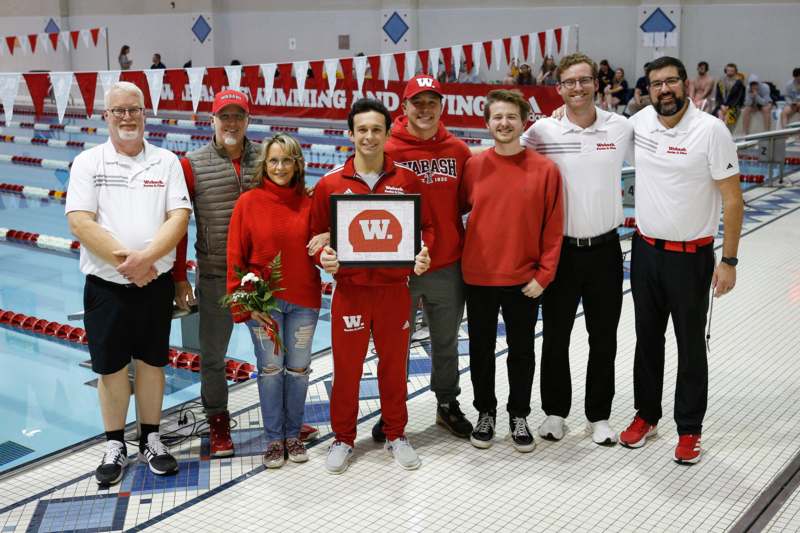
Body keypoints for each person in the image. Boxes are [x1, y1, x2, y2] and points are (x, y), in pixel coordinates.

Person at [619, 56, 744, 465]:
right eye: (656, 84)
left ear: (686, 84)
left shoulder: (711, 131)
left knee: (691, 346)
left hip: (692, 258)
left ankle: (689, 428)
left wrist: (729, 260)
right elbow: (595, 134)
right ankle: (646, 416)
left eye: (671, 81)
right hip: (645, 252)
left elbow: (732, 199)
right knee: (646, 340)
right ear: (648, 89)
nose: (664, 90)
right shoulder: (638, 124)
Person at [65, 81, 191, 485]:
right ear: (107, 116)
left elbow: (179, 217)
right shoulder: (89, 162)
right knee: (111, 368)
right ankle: (115, 442)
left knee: (153, 363)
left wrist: (148, 261)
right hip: (106, 286)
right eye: (118, 110)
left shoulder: (166, 161)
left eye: (133, 109)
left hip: (154, 283)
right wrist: (131, 262)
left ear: (144, 112)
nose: (126, 117)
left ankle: (151, 439)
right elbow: (80, 221)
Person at [310, 98, 434, 474]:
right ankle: (344, 438)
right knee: (346, 369)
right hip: (350, 292)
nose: (368, 136)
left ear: (387, 133)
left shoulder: (406, 181)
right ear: (350, 134)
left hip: (394, 291)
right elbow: (315, 237)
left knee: (395, 367)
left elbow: (425, 229)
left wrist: (424, 253)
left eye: (376, 129)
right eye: (361, 129)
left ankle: (396, 434)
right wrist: (324, 258)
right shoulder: (330, 183)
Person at [522, 53, 632, 446]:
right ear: (559, 89)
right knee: (555, 336)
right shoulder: (542, 133)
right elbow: (504, 153)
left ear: (596, 84)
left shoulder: (620, 128)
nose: (578, 88)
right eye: (570, 82)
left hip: (605, 250)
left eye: (584, 80)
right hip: (560, 253)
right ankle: (554, 413)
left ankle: (598, 416)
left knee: (603, 337)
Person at [370, 75, 473, 443]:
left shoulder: (459, 150)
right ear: (404, 106)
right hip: (400, 271)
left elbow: (465, 204)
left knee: (447, 343)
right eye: (418, 102)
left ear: (441, 106)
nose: (425, 109)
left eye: (432, 102)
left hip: (446, 264)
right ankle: (391, 412)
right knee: (394, 345)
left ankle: (447, 404)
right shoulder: (388, 149)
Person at [460, 89, 564, 453]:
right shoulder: (472, 167)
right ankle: (485, 412)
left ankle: (518, 414)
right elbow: (452, 214)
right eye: (497, 117)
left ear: (524, 122)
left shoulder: (545, 170)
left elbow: (554, 227)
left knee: (522, 351)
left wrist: (544, 274)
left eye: (511, 117)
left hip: (524, 280)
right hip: (479, 277)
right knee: (481, 351)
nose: (504, 124)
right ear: (487, 123)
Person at [172, 90, 265, 458]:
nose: (231, 123)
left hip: (262, 277)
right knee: (212, 356)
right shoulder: (192, 164)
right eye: (224, 116)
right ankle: (218, 421)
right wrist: (180, 277)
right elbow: (178, 225)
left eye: (238, 116)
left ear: (248, 119)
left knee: (273, 353)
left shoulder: (268, 157)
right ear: (212, 120)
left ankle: (282, 416)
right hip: (214, 275)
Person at [226, 134, 321, 469]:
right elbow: (235, 257)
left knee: (297, 371)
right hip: (263, 305)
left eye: (287, 160)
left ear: (298, 164)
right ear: (264, 164)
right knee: (269, 371)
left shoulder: (311, 203)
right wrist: (243, 304)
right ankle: (273, 439)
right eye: (274, 160)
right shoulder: (249, 202)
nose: (280, 167)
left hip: (305, 301)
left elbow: (322, 248)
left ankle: (293, 435)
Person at [715, 63, 745, 131]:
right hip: (722, 106)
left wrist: (729, 106)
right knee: (718, 115)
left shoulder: (739, 83)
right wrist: (721, 105)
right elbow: (718, 96)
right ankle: (719, 132)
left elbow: (738, 97)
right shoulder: (720, 82)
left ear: (735, 71)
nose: (730, 72)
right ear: (725, 70)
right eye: (728, 70)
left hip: (733, 106)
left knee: (728, 118)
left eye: (732, 71)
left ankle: (725, 133)